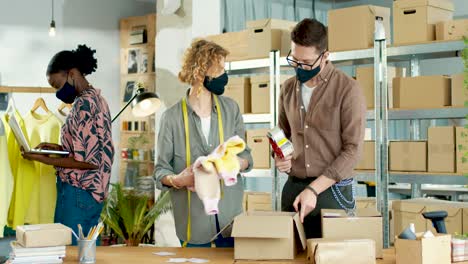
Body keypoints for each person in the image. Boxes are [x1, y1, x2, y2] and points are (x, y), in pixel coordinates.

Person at [155, 39, 253, 247]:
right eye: (220, 70)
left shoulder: (231, 109)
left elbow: (246, 156)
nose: (225, 76)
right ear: (201, 72)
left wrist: (232, 164)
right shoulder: (171, 118)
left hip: (231, 223)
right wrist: (179, 180)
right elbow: (160, 171)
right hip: (193, 225)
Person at [276, 18, 366, 238]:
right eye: (294, 60)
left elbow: (353, 150)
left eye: (306, 62)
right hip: (293, 189)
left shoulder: (348, 89)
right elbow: (283, 134)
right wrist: (280, 155)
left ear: (325, 56)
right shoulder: (288, 88)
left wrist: (314, 189)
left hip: (331, 192)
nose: (299, 68)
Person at [22, 44, 114, 245]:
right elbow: (87, 151)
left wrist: (43, 159)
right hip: (91, 194)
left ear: (71, 73)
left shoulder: (83, 104)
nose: (57, 92)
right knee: (86, 253)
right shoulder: (98, 99)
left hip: (77, 192)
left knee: (68, 253)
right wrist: (56, 149)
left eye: (57, 85)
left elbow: (89, 162)